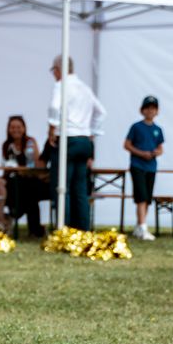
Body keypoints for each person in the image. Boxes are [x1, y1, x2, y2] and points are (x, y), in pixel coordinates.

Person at [43, 56, 105, 231]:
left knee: (62, 187)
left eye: (54, 70)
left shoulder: (61, 85)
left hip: (67, 139)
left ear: (58, 69)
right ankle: (83, 229)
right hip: (83, 141)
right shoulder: (84, 88)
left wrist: (51, 128)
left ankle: (65, 229)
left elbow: (54, 107)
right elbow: (101, 111)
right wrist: (92, 132)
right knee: (80, 188)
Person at [0, 115, 46, 236]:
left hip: (29, 180)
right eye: (12, 127)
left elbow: (35, 166)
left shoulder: (30, 142)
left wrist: (20, 169)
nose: (15, 130)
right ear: (8, 129)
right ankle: (1, 222)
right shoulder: (6, 145)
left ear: (24, 128)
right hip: (13, 180)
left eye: (18, 127)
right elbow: (6, 169)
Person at [123, 95, 164, 241]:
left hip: (151, 167)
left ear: (157, 111)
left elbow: (160, 148)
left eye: (153, 108)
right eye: (147, 108)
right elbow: (127, 145)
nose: (150, 111)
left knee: (147, 198)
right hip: (137, 166)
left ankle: (139, 226)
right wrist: (141, 153)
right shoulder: (136, 127)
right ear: (142, 110)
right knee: (141, 197)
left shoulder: (158, 129)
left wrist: (155, 153)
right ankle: (143, 227)